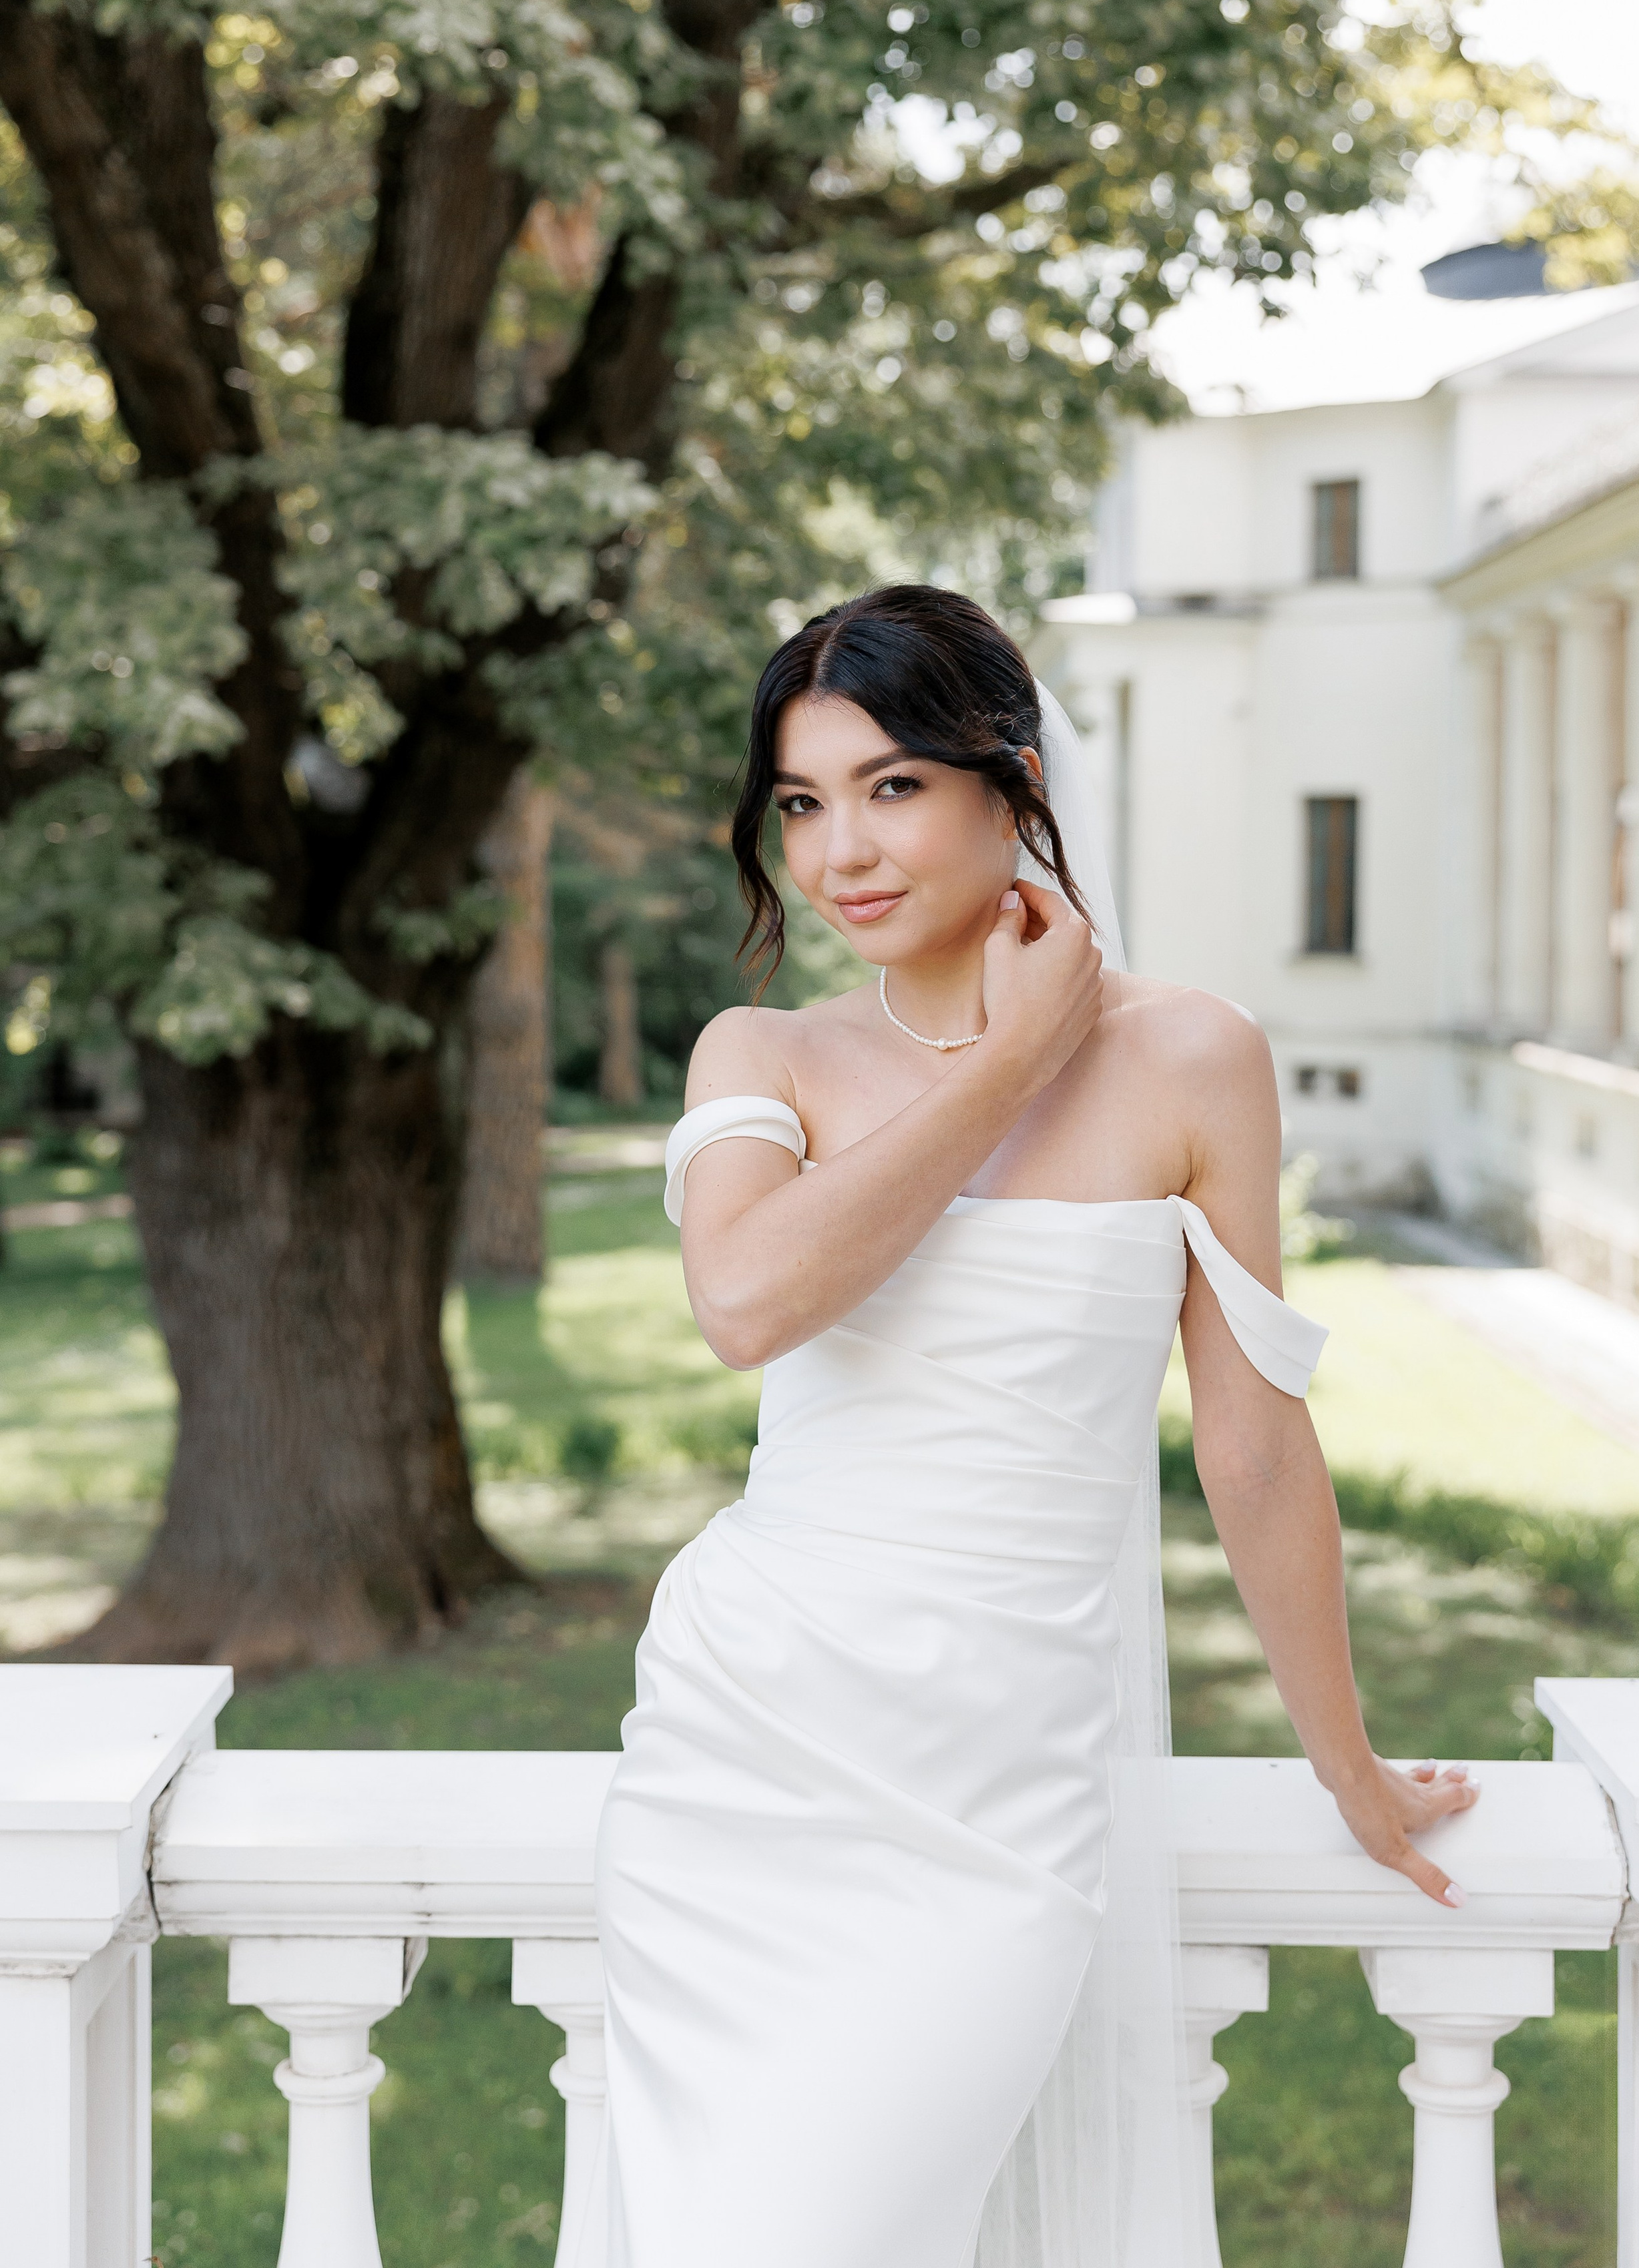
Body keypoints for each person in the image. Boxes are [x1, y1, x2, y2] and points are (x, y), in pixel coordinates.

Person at [586, 584, 1477, 2268]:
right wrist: (1007, 1062)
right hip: (748, 1749)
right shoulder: (759, 1047)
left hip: (1005, 1776)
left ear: (1012, 780)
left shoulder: (1198, 1059)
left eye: (892, 785)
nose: (840, 849)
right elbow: (748, 1305)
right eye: (800, 801)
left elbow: (1255, 1447)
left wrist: (1341, 1755)